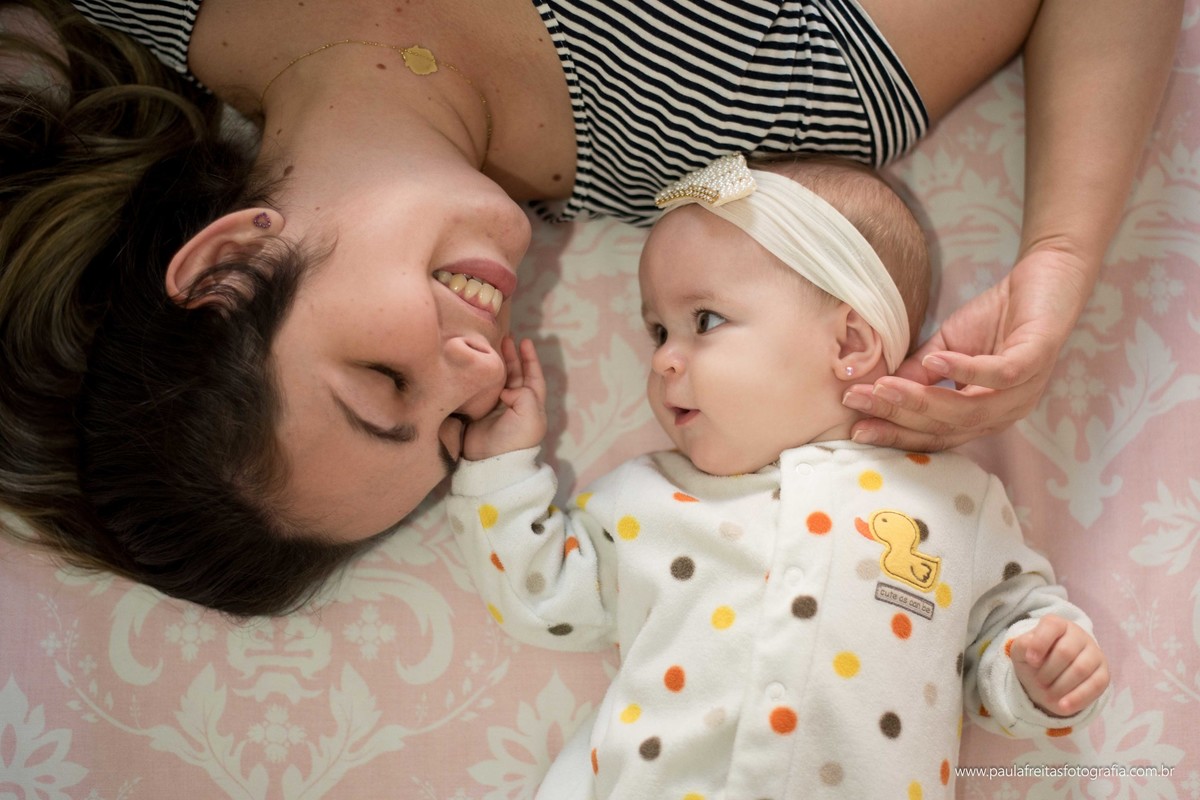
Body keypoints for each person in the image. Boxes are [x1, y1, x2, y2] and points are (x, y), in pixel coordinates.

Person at [0, 0, 1183, 615]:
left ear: (225, 266)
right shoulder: (745, 110)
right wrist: (1061, 260)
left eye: (384, 385)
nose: (477, 376)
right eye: (458, 431)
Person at [445, 154, 1111, 798]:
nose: (666, 360)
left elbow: (1010, 626)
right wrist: (501, 467)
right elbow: (543, 594)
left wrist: (1040, 667)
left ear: (849, 344)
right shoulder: (648, 498)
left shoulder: (951, 502)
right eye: (657, 331)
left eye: (703, 321)